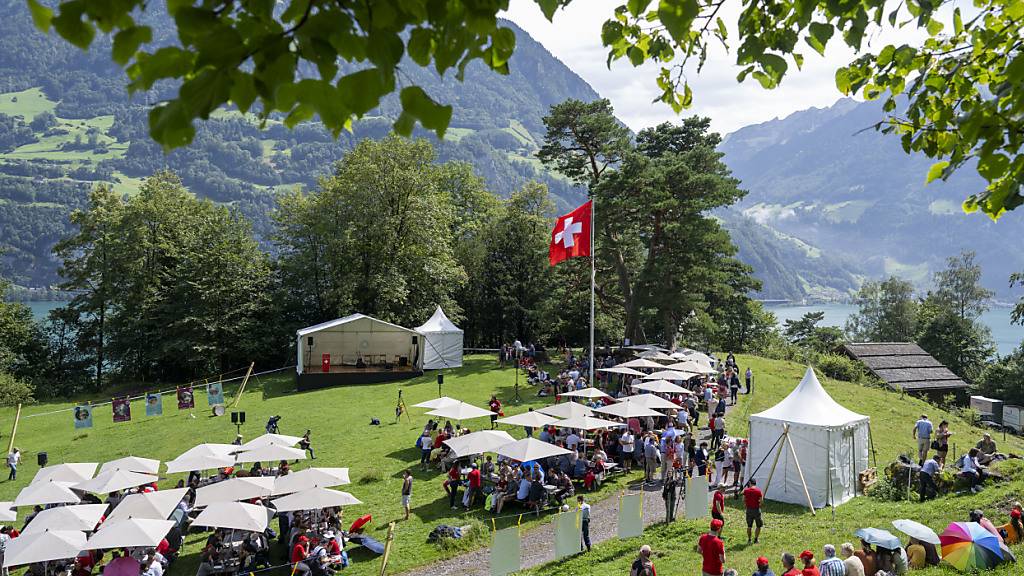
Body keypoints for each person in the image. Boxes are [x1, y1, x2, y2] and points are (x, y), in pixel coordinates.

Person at [743, 478, 764, 543]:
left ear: (750, 483)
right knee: (758, 525)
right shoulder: (758, 491)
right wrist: (760, 505)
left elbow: (743, 500)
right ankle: (756, 539)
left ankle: (749, 539)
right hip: (756, 510)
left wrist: (745, 505)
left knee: (749, 526)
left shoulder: (746, 491)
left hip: (749, 510)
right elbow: (761, 501)